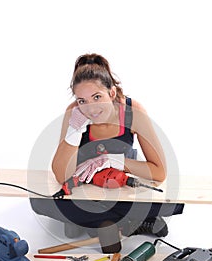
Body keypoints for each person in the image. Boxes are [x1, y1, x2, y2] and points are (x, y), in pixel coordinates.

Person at [30, 53, 184, 247]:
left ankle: (89, 223)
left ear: (111, 93)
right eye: (82, 100)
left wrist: (115, 161)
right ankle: (127, 223)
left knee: (171, 201)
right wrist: (74, 131)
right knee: (38, 201)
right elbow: (61, 175)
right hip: (84, 188)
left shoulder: (131, 111)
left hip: (120, 186)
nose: (91, 108)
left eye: (97, 97)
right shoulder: (75, 113)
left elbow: (159, 172)